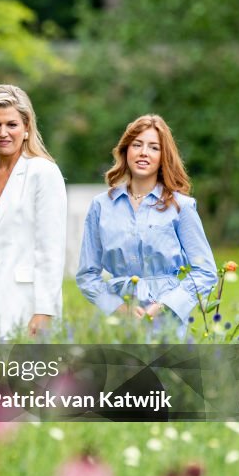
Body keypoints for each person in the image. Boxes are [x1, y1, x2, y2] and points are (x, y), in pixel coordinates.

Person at [76, 114, 217, 328]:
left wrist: (162, 307)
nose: (144, 152)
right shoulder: (101, 205)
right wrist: (119, 309)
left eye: (154, 147)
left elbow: (205, 272)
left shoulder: (181, 207)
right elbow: (87, 274)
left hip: (166, 319)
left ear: (163, 156)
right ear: (126, 151)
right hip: (117, 320)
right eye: (137, 145)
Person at [0, 84, 67, 342]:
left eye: (12, 125)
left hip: (22, 297)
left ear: (27, 128)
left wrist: (44, 310)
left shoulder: (43, 173)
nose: (3, 133)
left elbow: (51, 249)